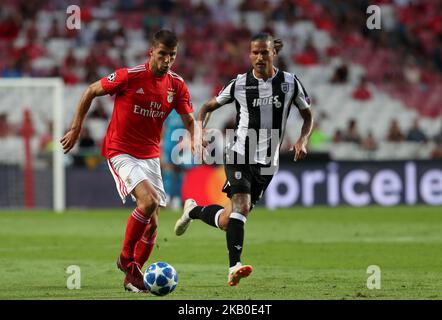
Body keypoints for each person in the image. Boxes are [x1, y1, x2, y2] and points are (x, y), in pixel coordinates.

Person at [60, 30, 198, 292]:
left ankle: (132, 277)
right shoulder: (129, 76)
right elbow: (90, 91)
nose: (167, 60)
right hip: (120, 150)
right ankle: (126, 260)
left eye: (172, 55)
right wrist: (76, 128)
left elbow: (189, 119)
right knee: (149, 202)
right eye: (162, 54)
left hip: (150, 155)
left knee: (154, 221)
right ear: (151, 52)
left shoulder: (176, 85)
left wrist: (195, 137)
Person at [174, 33, 313, 286]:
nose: (259, 57)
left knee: (230, 220)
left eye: (265, 52)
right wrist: (199, 131)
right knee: (240, 207)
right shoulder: (239, 84)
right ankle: (234, 266)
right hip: (239, 153)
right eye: (255, 53)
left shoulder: (290, 83)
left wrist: (303, 139)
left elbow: (307, 115)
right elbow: (206, 108)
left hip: (268, 163)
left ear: (274, 53)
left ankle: (193, 210)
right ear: (250, 55)